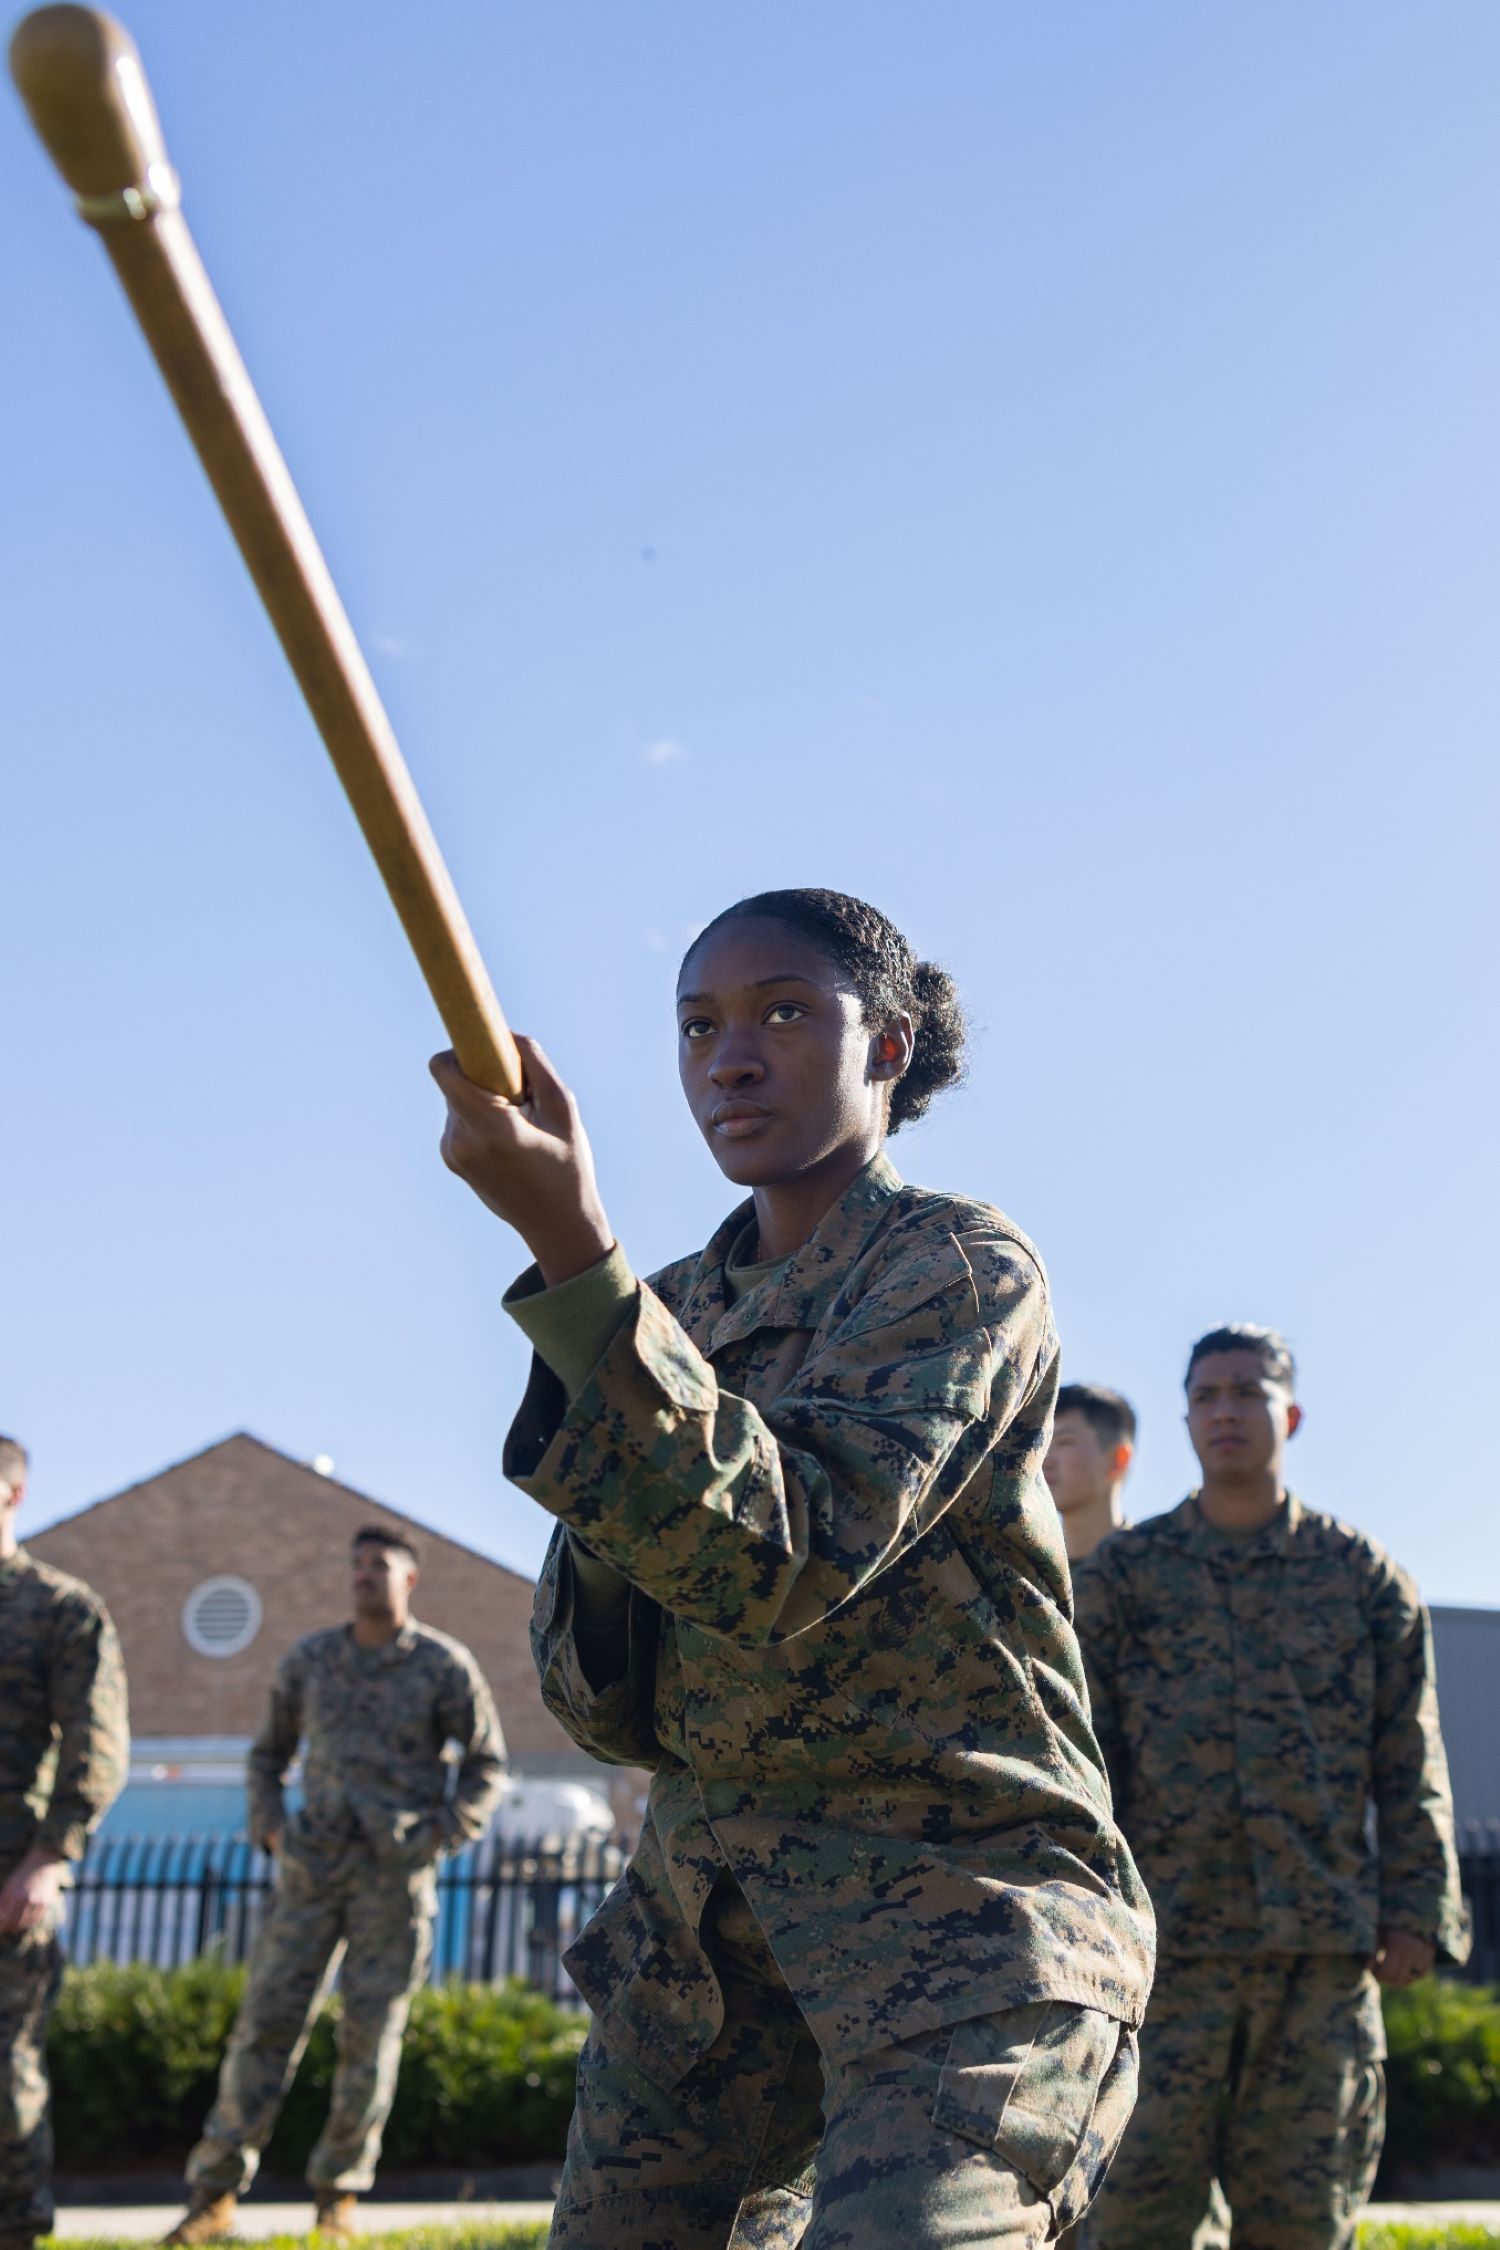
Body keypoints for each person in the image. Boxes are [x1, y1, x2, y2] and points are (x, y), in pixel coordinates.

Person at [431, 886, 1156, 2250]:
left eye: (781, 1012)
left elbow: (784, 1561)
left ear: (887, 1045)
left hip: (961, 1931)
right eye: (698, 1025)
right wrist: (609, 1380)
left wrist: (576, 1258)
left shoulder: (955, 1264)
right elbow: (600, 1702)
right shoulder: (680, 1315)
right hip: (707, 1951)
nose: (730, 1057)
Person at [1075, 1324, 1470, 2250]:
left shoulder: (1363, 1579)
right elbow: (1087, 1754)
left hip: (1317, 1957)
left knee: (1304, 2218)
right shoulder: (1128, 1577)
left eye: (1247, 1394)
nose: (1226, 1412)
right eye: (1207, 1396)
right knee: (1136, 2218)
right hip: (1160, 1957)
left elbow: (1408, 1756)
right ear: (1184, 1419)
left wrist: (1417, 1908)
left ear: (1288, 1414)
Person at [164, 1527, 506, 2244]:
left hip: (394, 1879)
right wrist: (273, 1830)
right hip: (310, 1874)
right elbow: (266, 1757)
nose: (363, 1576)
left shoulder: (444, 1665)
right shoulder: (311, 1660)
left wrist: (442, 1834)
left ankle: (338, 2200)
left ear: (409, 1580)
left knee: (369, 2041)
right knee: (265, 2026)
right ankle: (214, 2196)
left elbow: (486, 1765)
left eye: (379, 1565)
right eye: (355, 1565)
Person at [0, 1433, 129, 2250]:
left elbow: (99, 1742)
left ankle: (17, 2228)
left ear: (11, 1494)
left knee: (5, 2078)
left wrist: (48, 1858)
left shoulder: (58, 1607)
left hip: (9, 1875)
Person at [1043, 1386, 1136, 1563]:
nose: (1045, 1461)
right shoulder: (1026, 1577)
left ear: (1118, 1459)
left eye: (1064, 1443)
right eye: (1042, 1445)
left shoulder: (1156, 1565)